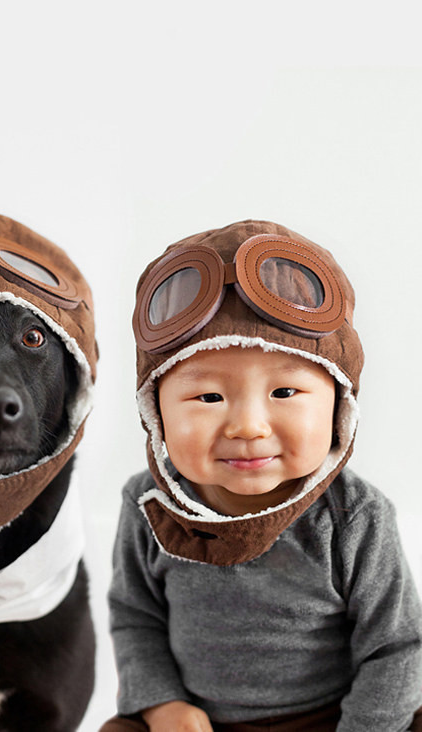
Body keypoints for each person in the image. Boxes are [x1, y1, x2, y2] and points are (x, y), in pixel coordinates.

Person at [101, 220, 422, 732]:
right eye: (208, 397)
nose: (248, 427)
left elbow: (397, 649)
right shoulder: (147, 504)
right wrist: (164, 706)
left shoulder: (355, 516)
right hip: (199, 723)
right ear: (155, 412)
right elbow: (136, 617)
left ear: (339, 404)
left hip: (337, 717)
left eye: (284, 393)